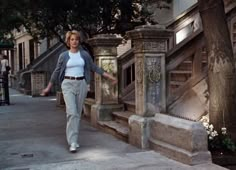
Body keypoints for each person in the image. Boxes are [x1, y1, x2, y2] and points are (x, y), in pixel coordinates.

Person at [41, 30, 117, 153]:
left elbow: (93, 67)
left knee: (77, 114)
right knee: (71, 112)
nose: (74, 41)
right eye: (72, 39)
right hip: (67, 84)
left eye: (76, 39)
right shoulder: (64, 56)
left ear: (79, 41)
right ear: (68, 41)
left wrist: (109, 76)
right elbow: (56, 71)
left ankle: (74, 140)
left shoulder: (84, 54)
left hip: (81, 84)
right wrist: (48, 87)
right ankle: (72, 142)